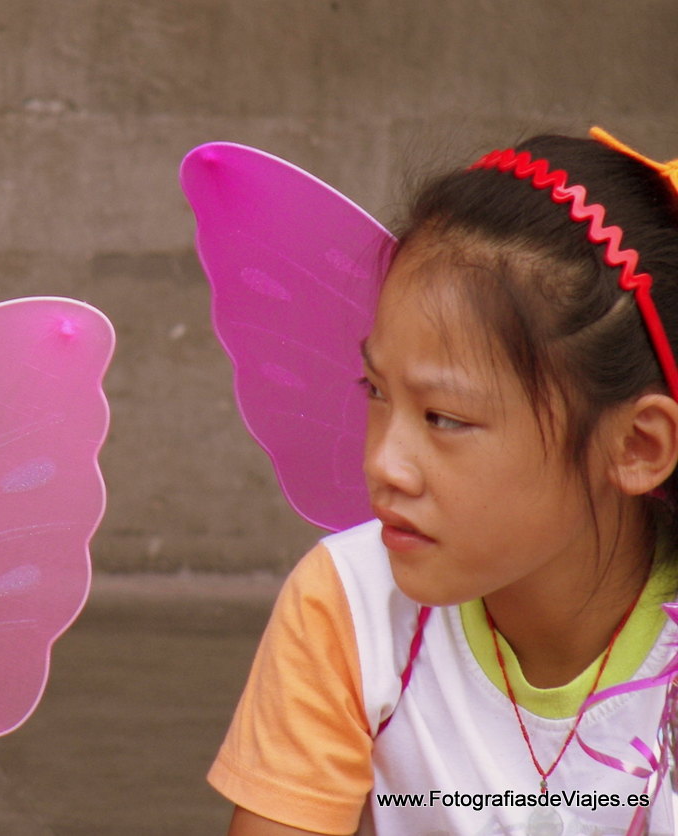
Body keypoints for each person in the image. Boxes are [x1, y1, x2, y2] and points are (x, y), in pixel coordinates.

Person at [209, 130, 678, 834]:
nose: (383, 464)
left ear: (637, 446)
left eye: (445, 418)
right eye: (374, 388)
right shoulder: (350, 605)